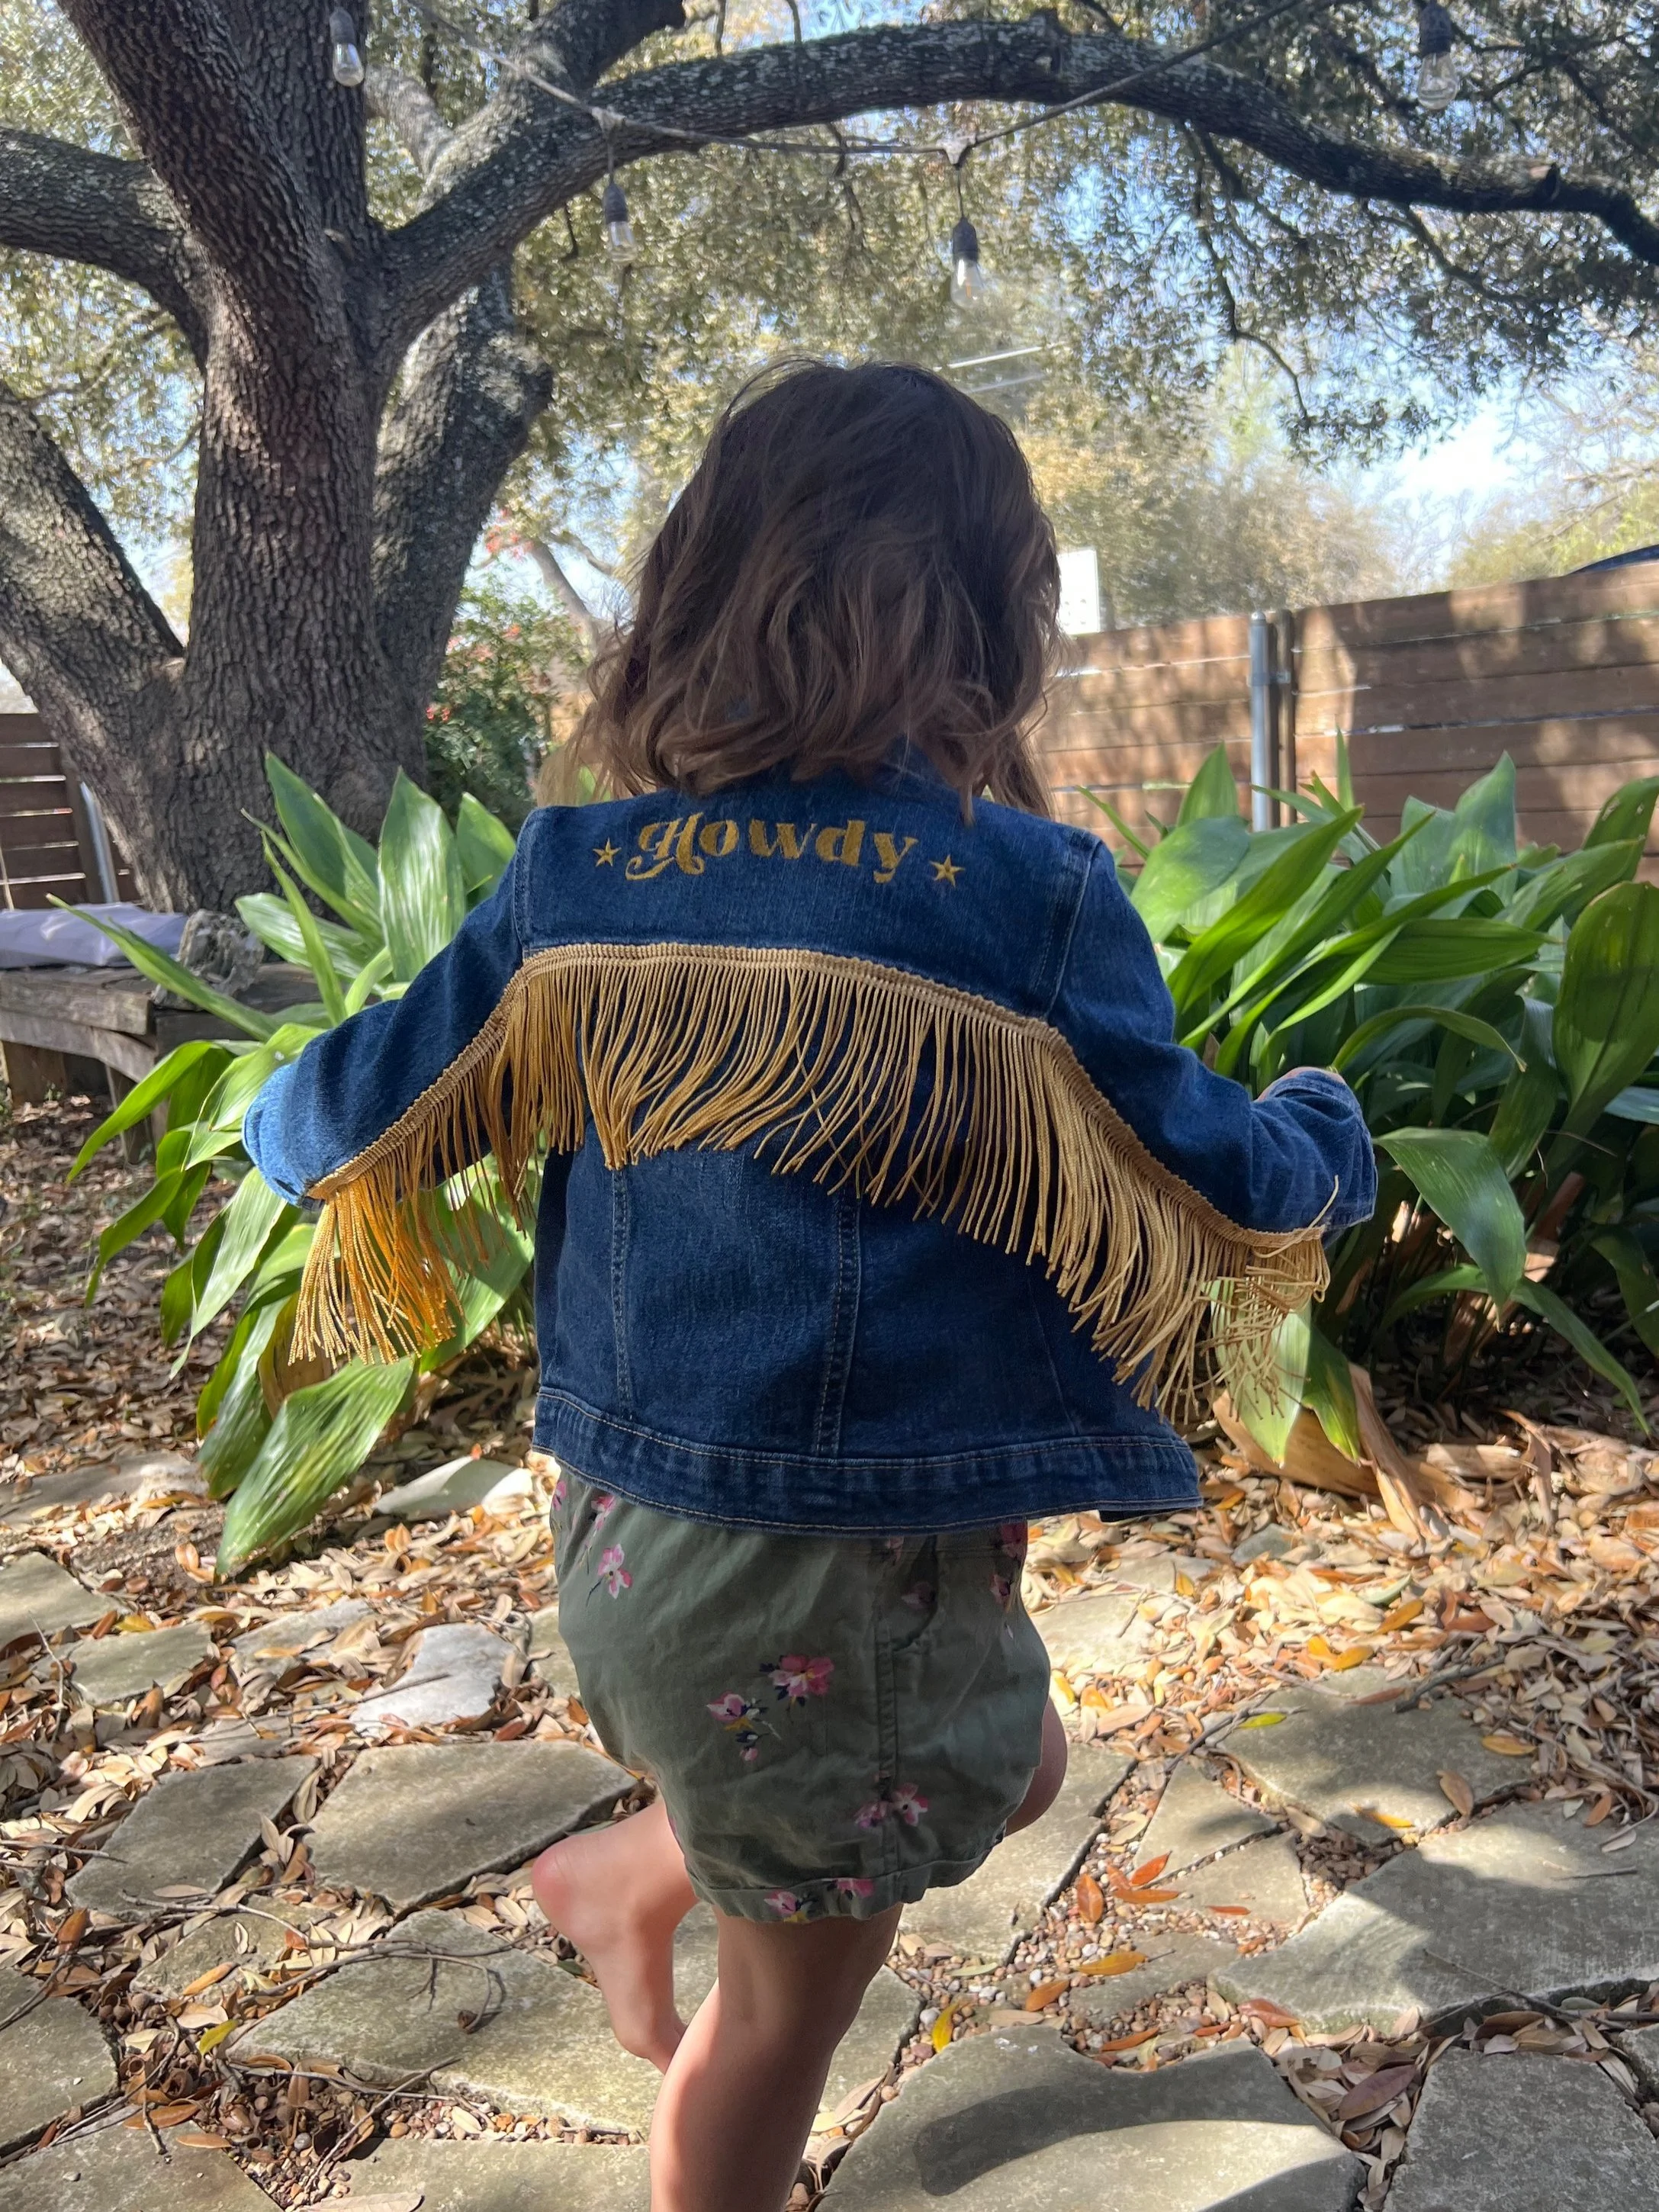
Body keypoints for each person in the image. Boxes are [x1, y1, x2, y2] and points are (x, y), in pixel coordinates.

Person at [243, 359, 1374, 2212]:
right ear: (979, 620)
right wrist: (1327, 1140)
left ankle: (631, 1871)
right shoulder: (1021, 891)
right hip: (824, 1568)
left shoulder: (577, 876)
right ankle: (675, 1975)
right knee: (769, 2036)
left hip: (639, 1539)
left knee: (1004, 1763)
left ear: (700, 594)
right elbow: (1203, 1171)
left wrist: (264, 1126)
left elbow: (344, 1116)